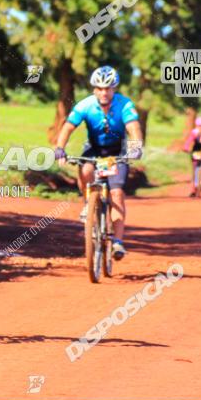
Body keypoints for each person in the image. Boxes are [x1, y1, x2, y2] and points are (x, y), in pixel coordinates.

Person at [53, 66, 143, 260]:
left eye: (108, 88)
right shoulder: (85, 105)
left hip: (116, 153)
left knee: (117, 194)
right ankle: (88, 203)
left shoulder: (125, 105)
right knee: (85, 169)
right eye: (100, 88)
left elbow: (133, 127)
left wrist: (135, 147)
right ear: (94, 89)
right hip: (93, 150)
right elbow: (68, 127)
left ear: (114, 89)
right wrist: (60, 147)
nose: (104, 92)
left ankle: (118, 242)